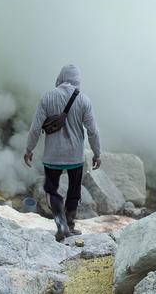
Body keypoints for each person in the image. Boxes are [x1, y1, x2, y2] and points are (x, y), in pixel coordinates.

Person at [24, 64, 101, 241]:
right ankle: (70, 226)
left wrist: (29, 150)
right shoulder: (84, 100)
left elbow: (35, 129)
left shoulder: (48, 97)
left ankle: (60, 224)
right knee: (74, 192)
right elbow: (93, 131)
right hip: (75, 157)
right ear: (77, 80)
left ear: (60, 77)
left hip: (53, 156)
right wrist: (97, 154)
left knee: (51, 190)